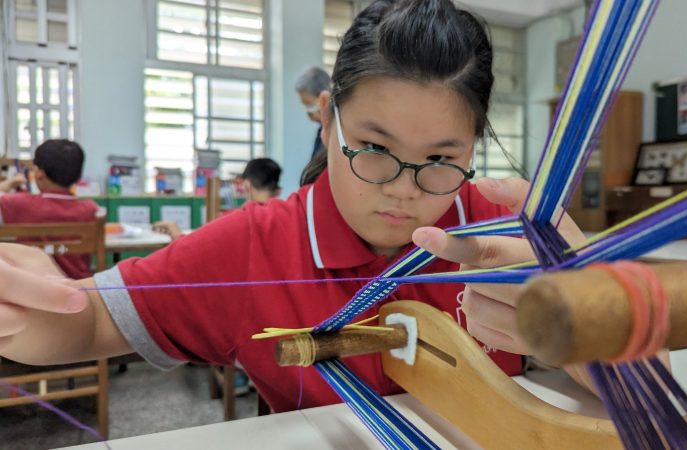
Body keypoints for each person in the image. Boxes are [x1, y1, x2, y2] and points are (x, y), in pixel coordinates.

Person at [0, 0, 586, 413]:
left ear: (473, 147)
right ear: (327, 122)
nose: (404, 188)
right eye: (376, 148)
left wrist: (599, 311)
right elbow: (95, 322)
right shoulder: (256, 242)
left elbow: (639, 385)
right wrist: (37, 309)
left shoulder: (508, 234)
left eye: (442, 157)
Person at [0, 139, 98, 279]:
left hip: (34, 290)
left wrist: (11, 181)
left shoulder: (19, 204)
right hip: (78, 289)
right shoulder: (91, 209)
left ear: (39, 174)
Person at [153, 158, 283, 239]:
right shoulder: (285, 218)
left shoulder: (235, 219)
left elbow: (200, 251)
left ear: (246, 185)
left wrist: (175, 231)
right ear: (278, 190)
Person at [295, 67, 332, 159]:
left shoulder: (336, 132)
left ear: (323, 98)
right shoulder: (321, 131)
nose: (308, 112)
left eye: (308, 103)